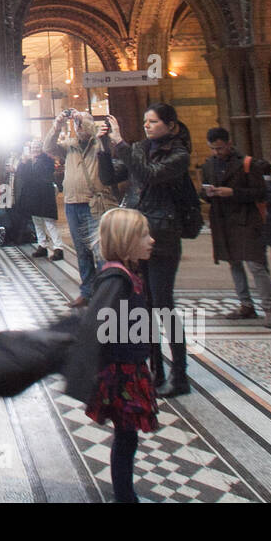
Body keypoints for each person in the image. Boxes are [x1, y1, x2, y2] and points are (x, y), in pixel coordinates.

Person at [97, 102, 194, 397]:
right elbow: (110, 177)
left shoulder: (178, 155)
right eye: (145, 122)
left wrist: (122, 144)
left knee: (163, 305)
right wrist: (104, 146)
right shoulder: (139, 148)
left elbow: (150, 175)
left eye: (152, 122)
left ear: (170, 125)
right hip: (137, 235)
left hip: (163, 236)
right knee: (143, 307)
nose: (147, 126)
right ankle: (155, 370)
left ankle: (180, 376)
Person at [84, 208, 161, 503]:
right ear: (125, 240)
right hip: (121, 372)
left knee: (127, 437)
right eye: (144, 235)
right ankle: (125, 497)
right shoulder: (116, 279)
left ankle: (125, 494)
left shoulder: (128, 273)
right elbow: (97, 323)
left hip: (129, 365)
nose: (151, 240)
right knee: (126, 438)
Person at [202, 127, 271, 329]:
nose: (216, 152)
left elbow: (260, 193)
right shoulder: (209, 164)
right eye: (213, 148)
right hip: (223, 220)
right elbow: (202, 189)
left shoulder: (247, 163)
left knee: (255, 264)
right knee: (233, 262)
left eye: (219, 148)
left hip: (246, 219)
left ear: (229, 143)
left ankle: (270, 309)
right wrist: (208, 193)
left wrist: (233, 192)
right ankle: (246, 304)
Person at [45, 111, 118, 306]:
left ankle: (105, 295)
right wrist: (58, 123)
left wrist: (83, 119)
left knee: (100, 250)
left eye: (82, 123)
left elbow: (97, 136)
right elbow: (48, 147)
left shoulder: (99, 143)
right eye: (76, 124)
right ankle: (87, 292)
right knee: (82, 250)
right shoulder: (70, 146)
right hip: (72, 203)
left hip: (94, 203)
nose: (78, 127)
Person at [16, 138, 64, 261]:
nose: (35, 149)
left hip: (44, 195)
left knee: (49, 222)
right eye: (33, 147)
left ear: (41, 148)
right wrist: (23, 162)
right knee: (37, 221)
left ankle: (58, 248)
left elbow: (43, 174)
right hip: (32, 196)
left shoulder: (47, 159)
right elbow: (22, 175)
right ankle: (42, 245)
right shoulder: (28, 160)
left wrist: (29, 163)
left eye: (37, 147)